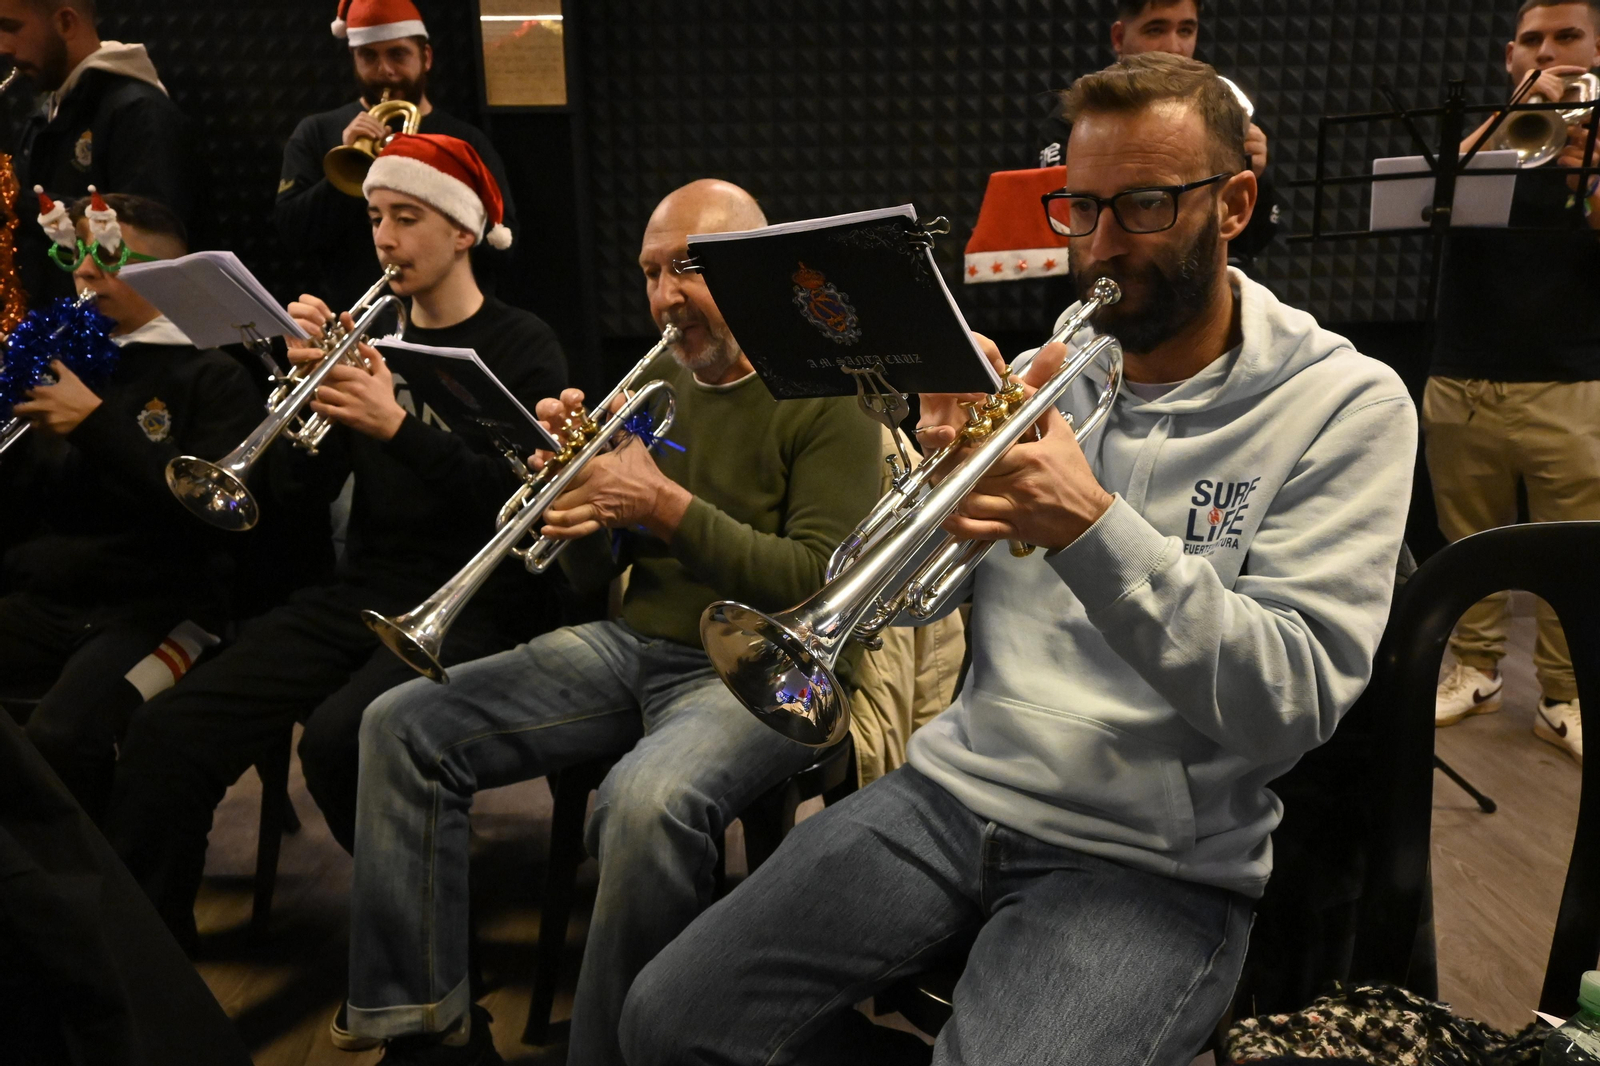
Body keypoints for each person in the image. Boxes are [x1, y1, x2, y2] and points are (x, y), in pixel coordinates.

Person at [620, 54, 1417, 1065]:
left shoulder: (1346, 404)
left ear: (1233, 204)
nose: (1097, 248)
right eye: (1077, 210)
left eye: (1141, 206)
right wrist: (935, 500)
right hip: (955, 791)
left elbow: (1290, 701)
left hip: (1151, 862)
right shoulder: (1066, 364)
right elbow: (906, 613)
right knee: (666, 1018)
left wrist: (1091, 527)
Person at [335, 178, 883, 1066]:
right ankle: (427, 1033)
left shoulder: (829, 392)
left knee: (646, 802)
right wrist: (578, 503)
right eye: (652, 272)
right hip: (635, 641)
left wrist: (663, 506)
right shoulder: (662, 374)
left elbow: (817, 581)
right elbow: (596, 578)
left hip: (762, 671)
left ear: (755, 272)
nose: (666, 296)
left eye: (690, 270)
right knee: (400, 725)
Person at [106, 133, 566, 948]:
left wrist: (395, 427)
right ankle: (158, 971)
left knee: (341, 742)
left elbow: (519, 509)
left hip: (475, 600)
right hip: (363, 591)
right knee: (167, 735)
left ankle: (430, 947)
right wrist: (294, 391)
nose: (384, 239)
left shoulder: (522, 344)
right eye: (376, 217)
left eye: (408, 217)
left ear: (463, 231)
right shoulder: (368, 339)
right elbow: (288, 497)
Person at [0, 192, 258, 818]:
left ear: (164, 277)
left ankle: (96, 903)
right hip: (51, 596)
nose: (84, 274)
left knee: (65, 736)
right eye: (75, 254)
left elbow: (213, 524)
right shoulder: (61, 352)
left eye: (108, 258)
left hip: (161, 606)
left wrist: (93, 425)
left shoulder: (214, 374)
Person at [1429, 0, 1600, 764]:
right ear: (1509, 55)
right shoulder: (1490, 132)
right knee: (1470, 541)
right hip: (1464, 373)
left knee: (1577, 554)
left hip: (1570, 379)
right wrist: (1511, 119)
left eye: (1567, 37)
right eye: (1532, 41)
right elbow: (1438, 205)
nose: (1548, 52)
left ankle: (1567, 694)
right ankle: (1477, 669)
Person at [276, 0, 518, 313]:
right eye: (369, 56)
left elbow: (504, 245)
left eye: (398, 54)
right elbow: (293, 234)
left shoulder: (466, 140)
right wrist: (349, 167)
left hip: (450, 319)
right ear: (354, 58)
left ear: (426, 57)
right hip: (354, 316)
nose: (385, 71)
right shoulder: (317, 132)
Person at [1035, 0, 1280, 264]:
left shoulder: (1222, 115)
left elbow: (1253, 239)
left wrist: (1254, 174)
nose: (1174, 47)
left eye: (1185, 30)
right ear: (1119, 37)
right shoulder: (1072, 122)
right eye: (1155, 30)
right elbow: (1057, 232)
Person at [0, 0, 196, 305]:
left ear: (66, 23)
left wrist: (13, 201)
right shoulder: (48, 110)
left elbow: (151, 238)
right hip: (57, 323)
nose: (3, 47)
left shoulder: (138, 110)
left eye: (10, 28)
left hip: (114, 332)